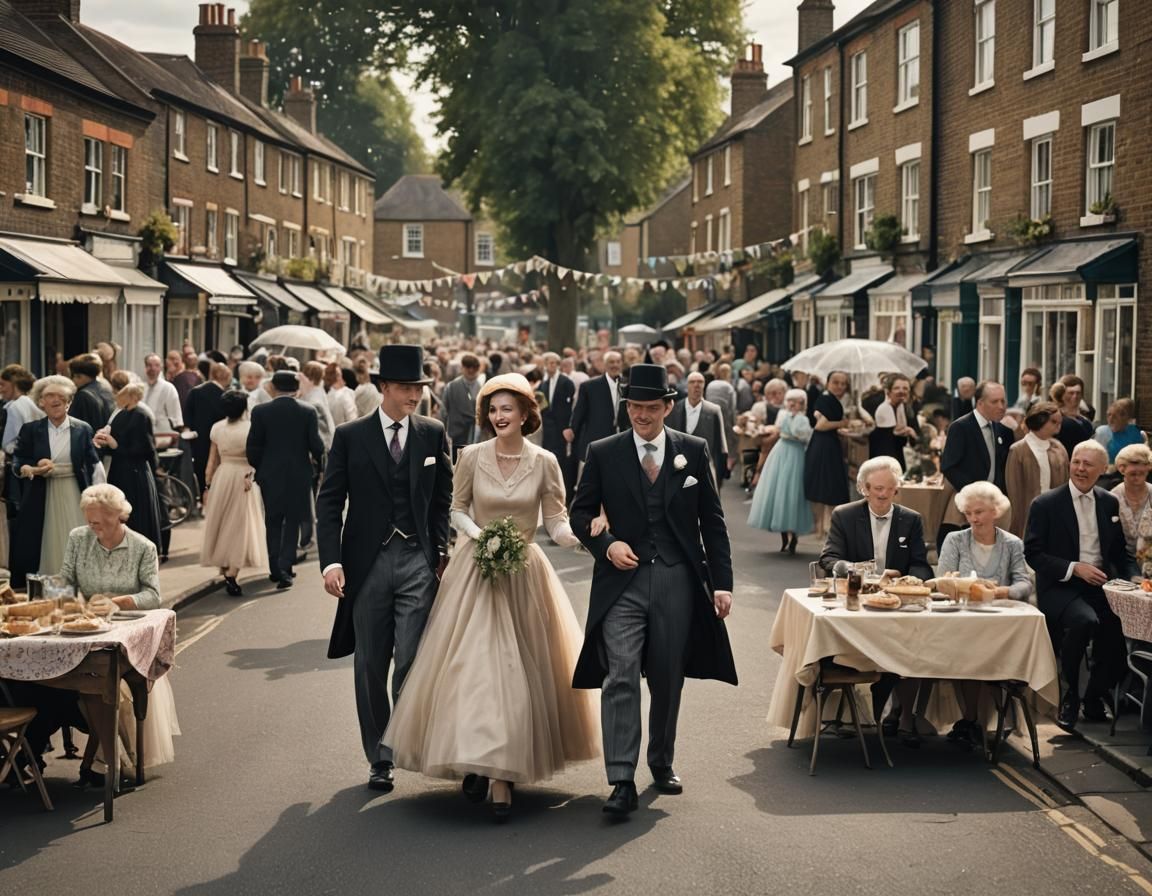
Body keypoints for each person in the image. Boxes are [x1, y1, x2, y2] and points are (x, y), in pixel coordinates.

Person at [384, 374, 599, 820]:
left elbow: (555, 520)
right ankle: (478, 760)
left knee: (519, 671)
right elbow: (456, 509)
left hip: (524, 573)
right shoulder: (470, 456)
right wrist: (481, 537)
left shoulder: (545, 461)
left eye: (507, 409)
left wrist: (580, 538)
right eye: (493, 410)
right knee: (475, 666)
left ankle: (501, 772)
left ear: (525, 414)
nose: (499, 417)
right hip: (474, 572)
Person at [571, 363, 735, 818]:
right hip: (620, 582)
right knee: (619, 673)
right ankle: (621, 778)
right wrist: (606, 544)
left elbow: (712, 522)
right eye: (634, 406)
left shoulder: (693, 451)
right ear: (626, 407)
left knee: (667, 675)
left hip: (676, 578)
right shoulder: (603, 452)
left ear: (668, 406)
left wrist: (722, 583)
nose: (641, 415)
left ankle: (661, 761)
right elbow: (579, 513)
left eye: (650, 407)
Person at [316, 345, 453, 794]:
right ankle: (379, 756)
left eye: (419, 387)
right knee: (370, 663)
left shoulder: (433, 434)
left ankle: (405, 740)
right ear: (384, 388)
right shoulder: (351, 435)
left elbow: (442, 499)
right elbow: (330, 502)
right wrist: (331, 561)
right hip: (367, 564)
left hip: (418, 559)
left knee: (411, 659)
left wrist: (439, 552)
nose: (416, 395)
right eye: (408, 388)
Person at [819, 456, 934, 745]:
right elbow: (828, 558)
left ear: (897, 490)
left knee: (918, 646)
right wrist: (856, 569)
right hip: (858, 605)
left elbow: (921, 565)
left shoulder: (911, 519)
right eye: (877, 489)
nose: (882, 495)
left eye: (889, 489)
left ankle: (902, 712)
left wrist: (904, 579)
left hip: (897, 605)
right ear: (864, 488)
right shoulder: (844, 515)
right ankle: (854, 713)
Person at [1025, 439, 1139, 730]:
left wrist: (1134, 575)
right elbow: (1034, 554)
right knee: (1084, 621)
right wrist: (1075, 568)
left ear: (1103, 469)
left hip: (1100, 585)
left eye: (1088, 464)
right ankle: (1070, 695)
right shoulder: (1046, 504)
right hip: (1061, 586)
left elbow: (1119, 552)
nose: (1080, 468)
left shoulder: (1108, 501)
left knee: (1123, 626)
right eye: (1076, 461)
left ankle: (1094, 695)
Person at [937, 481, 1033, 747]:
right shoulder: (955, 540)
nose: (973, 519)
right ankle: (971, 719)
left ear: (996, 511)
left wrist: (1001, 591)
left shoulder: (1012, 543)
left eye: (979, 512)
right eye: (968, 513)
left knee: (988, 651)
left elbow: (1024, 583)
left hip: (1000, 622)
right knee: (966, 649)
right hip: (962, 619)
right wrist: (959, 586)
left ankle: (975, 721)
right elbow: (942, 581)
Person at [10, 376, 101, 584]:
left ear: (69, 402)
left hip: (75, 492)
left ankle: (80, 583)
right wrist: (26, 467)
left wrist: (96, 497)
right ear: (41, 401)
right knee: (46, 540)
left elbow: (94, 465)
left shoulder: (83, 429)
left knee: (77, 535)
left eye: (61, 396)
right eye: (49, 395)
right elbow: (19, 460)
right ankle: (49, 586)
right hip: (42, 493)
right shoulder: (31, 430)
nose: (55, 400)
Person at [246, 371, 324, 589]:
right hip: (299, 475)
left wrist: (260, 470)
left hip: (270, 475)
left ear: (273, 387)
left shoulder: (260, 411)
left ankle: (275, 567)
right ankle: (285, 566)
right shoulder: (308, 411)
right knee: (292, 521)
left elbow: (252, 446)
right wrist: (320, 466)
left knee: (272, 520)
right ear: (296, 388)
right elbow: (316, 445)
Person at [201, 390, 267, 597]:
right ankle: (232, 572)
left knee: (222, 523)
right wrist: (252, 475)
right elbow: (257, 457)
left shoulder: (217, 428)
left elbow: (211, 461)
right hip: (243, 477)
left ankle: (225, 566)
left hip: (222, 476)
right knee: (240, 526)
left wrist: (207, 486)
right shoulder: (251, 428)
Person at [939, 380, 1012, 544]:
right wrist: (973, 493)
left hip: (993, 505)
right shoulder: (961, 427)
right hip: (968, 504)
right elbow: (949, 466)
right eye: (995, 401)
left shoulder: (1002, 430)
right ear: (980, 403)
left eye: (1003, 401)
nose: (1001, 406)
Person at [95, 382, 163, 552]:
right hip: (123, 470)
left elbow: (144, 448)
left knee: (135, 511)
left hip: (134, 471)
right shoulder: (125, 414)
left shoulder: (140, 415)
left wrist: (114, 445)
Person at [747, 388, 813, 554]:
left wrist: (792, 432)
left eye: (796, 402)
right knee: (778, 489)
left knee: (793, 490)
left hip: (795, 454)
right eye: (790, 401)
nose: (792, 404)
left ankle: (794, 536)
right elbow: (777, 430)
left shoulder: (803, 419)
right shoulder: (783, 415)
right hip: (781, 451)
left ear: (802, 404)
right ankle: (784, 536)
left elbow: (804, 436)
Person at [1004, 402, 1069, 538]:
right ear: (1040, 420)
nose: (1058, 425)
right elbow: (1014, 490)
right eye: (1053, 421)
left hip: (1054, 511)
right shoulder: (1018, 450)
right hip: (1028, 512)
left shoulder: (1059, 448)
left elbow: (1065, 483)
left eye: (1059, 422)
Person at [804, 370, 852, 537]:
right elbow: (820, 426)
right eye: (836, 382)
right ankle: (822, 528)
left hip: (827, 444)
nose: (839, 386)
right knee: (825, 486)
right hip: (824, 447)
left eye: (843, 383)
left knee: (823, 486)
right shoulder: (825, 399)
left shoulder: (831, 400)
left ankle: (822, 528)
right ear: (828, 383)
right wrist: (842, 423)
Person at [566, 350, 626, 473]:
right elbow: (579, 413)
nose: (615, 365)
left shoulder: (628, 385)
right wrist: (572, 429)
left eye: (618, 362)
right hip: (597, 440)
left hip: (621, 441)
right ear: (605, 364)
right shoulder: (589, 386)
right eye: (611, 362)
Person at [667, 371, 728, 488]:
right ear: (686, 386)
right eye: (692, 382)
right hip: (679, 466)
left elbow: (720, 445)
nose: (696, 385)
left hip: (705, 466)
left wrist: (719, 474)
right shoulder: (674, 409)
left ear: (704, 385)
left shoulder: (714, 410)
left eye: (700, 382)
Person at [1, 364, 44, 518]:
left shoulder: (14, 407)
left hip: (17, 465)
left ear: (14, 384)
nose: (1, 389)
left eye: (3, 384)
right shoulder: (31, 403)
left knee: (16, 510)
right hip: (33, 462)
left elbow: (10, 442)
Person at [185, 363, 232, 500]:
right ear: (226, 376)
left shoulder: (195, 392)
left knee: (200, 467)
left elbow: (187, 417)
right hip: (219, 439)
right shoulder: (225, 396)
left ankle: (201, 495)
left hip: (198, 438)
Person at [538, 352, 575, 495]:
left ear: (558, 365)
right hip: (548, 428)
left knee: (561, 459)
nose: (551, 365)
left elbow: (570, 404)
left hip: (562, 427)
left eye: (554, 363)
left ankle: (562, 489)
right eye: (548, 363)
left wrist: (568, 426)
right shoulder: (543, 384)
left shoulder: (566, 382)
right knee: (547, 456)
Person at [1110, 443, 1152, 561]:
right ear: (1122, 469)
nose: (1137, 478)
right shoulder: (1112, 497)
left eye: (1142, 474)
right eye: (1133, 474)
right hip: (1121, 559)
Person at [868, 374, 918, 470]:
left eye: (905, 388)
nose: (901, 391)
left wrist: (911, 432)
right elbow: (887, 443)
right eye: (896, 388)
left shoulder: (907, 408)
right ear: (889, 392)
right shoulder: (884, 409)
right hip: (884, 459)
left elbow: (916, 435)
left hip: (900, 456)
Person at [439, 353, 483, 461]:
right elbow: (444, 411)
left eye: (474, 367)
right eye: (468, 367)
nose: (471, 370)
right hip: (456, 433)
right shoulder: (451, 386)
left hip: (476, 435)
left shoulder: (482, 386)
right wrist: (443, 432)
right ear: (462, 367)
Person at [1051, 374, 1095, 460]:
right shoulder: (1054, 417)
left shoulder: (1085, 416)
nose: (1075, 396)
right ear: (1061, 395)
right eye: (1070, 393)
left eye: (1078, 393)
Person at [68, 354, 113, 432]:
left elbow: (75, 425)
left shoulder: (83, 395)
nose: (74, 380)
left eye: (77, 376)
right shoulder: (106, 387)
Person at [142, 353, 184, 436]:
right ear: (145, 368)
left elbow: (176, 416)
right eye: (149, 365)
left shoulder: (168, 388)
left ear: (161, 367)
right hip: (144, 433)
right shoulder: (142, 388)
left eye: (156, 365)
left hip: (163, 434)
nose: (153, 368)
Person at [1095, 398, 1143, 465]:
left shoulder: (1134, 432)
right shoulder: (1102, 432)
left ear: (1126, 418)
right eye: (1108, 415)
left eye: (1115, 416)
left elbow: (1141, 456)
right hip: (1107, 472)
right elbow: (1095, 457)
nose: (1110, 419)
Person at [323, 362, 358, 427]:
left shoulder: (326, 395)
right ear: (338, 376)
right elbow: (352, 420)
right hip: (345, 433)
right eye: (340, 374)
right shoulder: (345, 395)